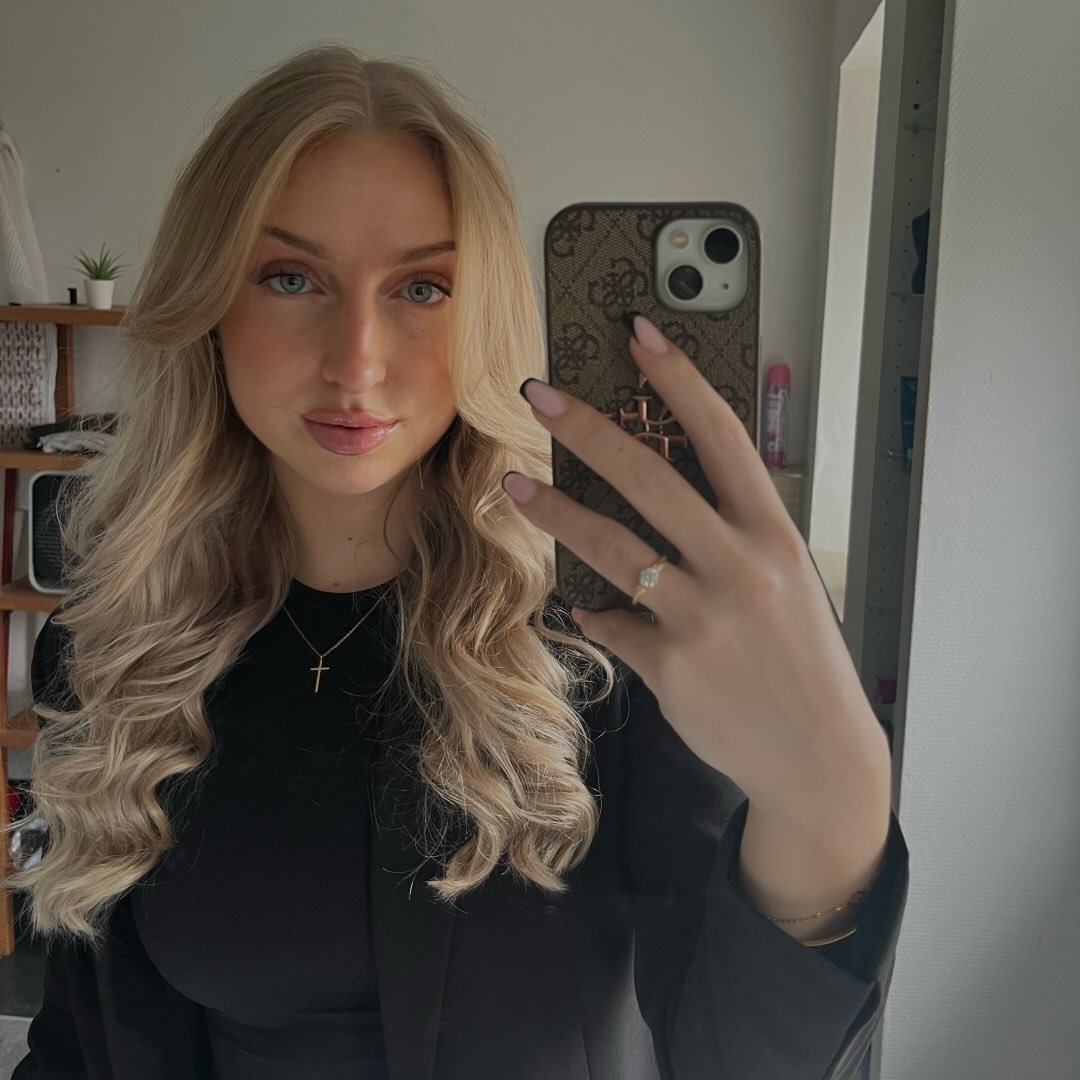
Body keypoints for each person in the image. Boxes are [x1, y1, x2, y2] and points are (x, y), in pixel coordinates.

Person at [6, 43, 909, 1080]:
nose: (357, 361)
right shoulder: (117, 651)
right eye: (290, 277)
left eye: (424, 287)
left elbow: (737, 1058)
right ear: (210, 306)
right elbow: (84, 1040)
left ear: (487, 315)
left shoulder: (613, 645)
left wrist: (832, 814)